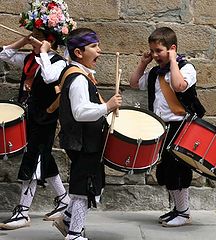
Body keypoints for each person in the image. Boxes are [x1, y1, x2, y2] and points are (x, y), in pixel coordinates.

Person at [0, 0, 76, 230]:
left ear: (49, 40)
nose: (31, 38)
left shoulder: (58, 63)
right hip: (28, 115)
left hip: (46, 117)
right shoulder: (28, 59)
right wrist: (24, 40)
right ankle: (64, 200)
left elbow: (51, 77)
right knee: (44, 158)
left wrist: (43, 51)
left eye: (36, 35)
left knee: (32, 159)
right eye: (31, 34)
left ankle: (23, 211)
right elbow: (3, 54)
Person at [130, 27, 205, 227]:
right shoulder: (155, 72)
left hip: (181, 125)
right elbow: (134, 83)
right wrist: (143, 63)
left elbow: (180, 86)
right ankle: (178, 209)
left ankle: (184, 212)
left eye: (158, 51)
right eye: (152, 51)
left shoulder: (186, 68)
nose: (154, 55)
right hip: (161, 126)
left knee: (178, 168)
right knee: (166, 169)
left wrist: (173, 62)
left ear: (172, 49)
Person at [53, 27, 122, 240]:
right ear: (78, 53)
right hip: (82, 142)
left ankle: (67, 220)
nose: (99, 51)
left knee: (86, 182)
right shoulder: (79, 78)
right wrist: (107, 107)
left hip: (86, 141)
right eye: (94, 46)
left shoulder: (83, 75)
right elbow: (80, 112)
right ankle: (74, 233)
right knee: (85, 187)